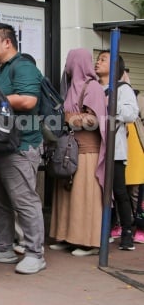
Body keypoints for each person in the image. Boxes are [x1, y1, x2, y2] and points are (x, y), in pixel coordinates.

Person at [0, 23, 46, 274]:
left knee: (24, 201)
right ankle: (3, 247)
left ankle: (35, 253)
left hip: (20, 146)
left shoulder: (23, 66)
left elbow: (29, 100)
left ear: (7, 43)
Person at [49, 48, 107, 256]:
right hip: (69, 149)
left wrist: (68, 118)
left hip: (87, 152)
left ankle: (88, 242)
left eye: (69, 60)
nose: (67, 64)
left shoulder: (93, 88)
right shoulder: (70, 87)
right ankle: (67, 237)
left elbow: (95, 120)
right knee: (67, 196)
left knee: (84, 198)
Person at [94, 50, 138, 250]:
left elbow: (131, 113)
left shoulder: (122, 88)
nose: (97, 62)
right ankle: (107, 227)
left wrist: (110, 108)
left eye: (103, 59)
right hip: (96, 147)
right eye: (97, 59)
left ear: (114, 66)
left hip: (114, 149)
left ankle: (127, 232)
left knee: (119, 191)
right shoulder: (94, 87)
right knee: (101, 190)